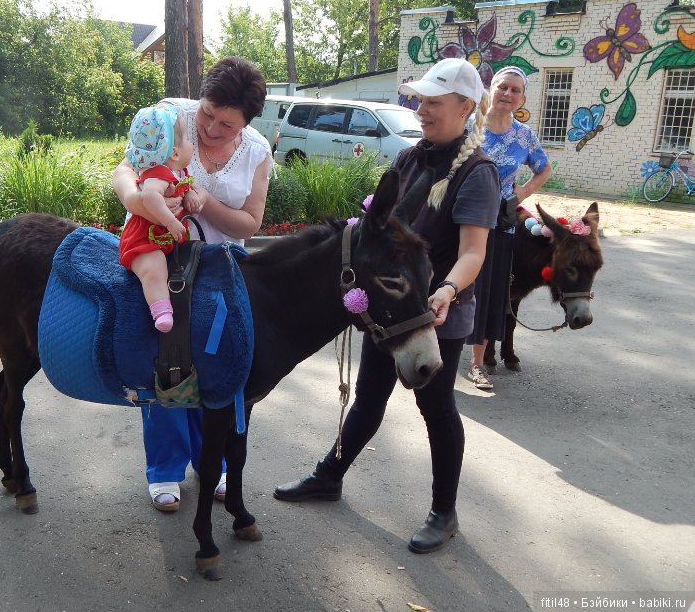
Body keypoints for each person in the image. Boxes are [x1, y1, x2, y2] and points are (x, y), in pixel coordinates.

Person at [273, 57, 500, 554]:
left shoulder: (478, 173)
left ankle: (445, 512)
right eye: (420, 101)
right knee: (369, 396)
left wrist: (447, 290)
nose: (422, 110)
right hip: (394, 308)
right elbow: (381, 228)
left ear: (465, 107)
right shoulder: (412, 157)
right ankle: (329, 476)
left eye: (434, 103)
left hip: (436, 313)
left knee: (435, 406)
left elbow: (472, 251)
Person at [113, 56, 272, 512]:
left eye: (226, 124)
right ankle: (164, 469)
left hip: (221, 266)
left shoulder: (257, 151)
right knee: (165, 359)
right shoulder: (170, 117)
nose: (210, 128)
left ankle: (216, 463)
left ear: (245, 124)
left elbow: (249, 222)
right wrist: (139, 200)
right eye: (207, 114)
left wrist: (202, 206)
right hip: (158, 257)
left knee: (222, 366)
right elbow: (125, 170)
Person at [465, 66, 552, 390]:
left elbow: (544, 169)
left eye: (515, 90)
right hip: (464, 218)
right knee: (455, 283)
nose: (508, 94)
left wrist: (522, 193)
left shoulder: (524, 135)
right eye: (503, 87)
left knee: (490, 293)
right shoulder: (471, 127)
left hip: (501, 223)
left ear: (522, 98)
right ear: (491, 89)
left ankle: (477, 363)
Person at [119, 104, 199, 332]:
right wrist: (170, 221)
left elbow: (186, 186)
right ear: (174, 152)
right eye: (187, 141)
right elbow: (149, 197)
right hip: (144, 239)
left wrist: (190, 195)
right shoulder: (158, 174)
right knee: (153, 270)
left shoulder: (179, 172)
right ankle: (161, 309)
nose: (192, 146)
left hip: (166, 240)